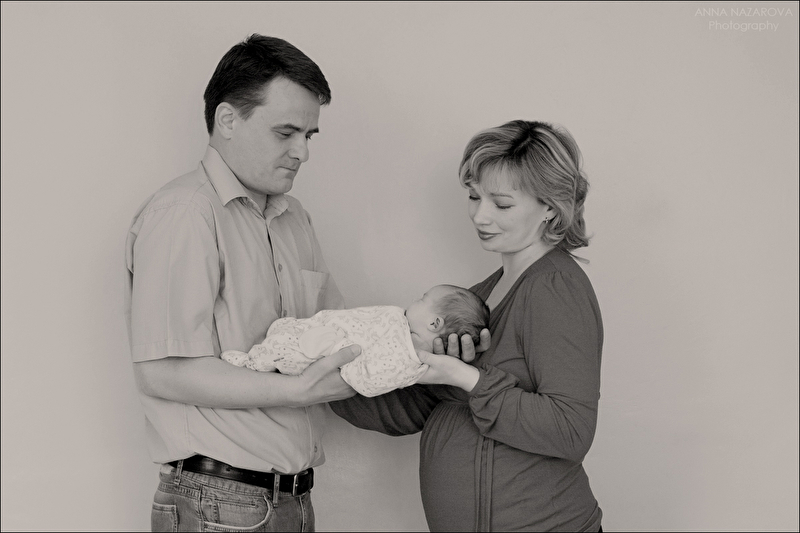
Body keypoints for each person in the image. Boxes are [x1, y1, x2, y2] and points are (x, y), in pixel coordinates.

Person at [124, 34, 366, 532]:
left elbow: (338, 333)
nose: (303, 152)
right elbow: (162, 372)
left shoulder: (294, 218)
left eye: (310, 135)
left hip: (289, 500)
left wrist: (426, 339)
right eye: (286, 132)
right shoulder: (185, 213)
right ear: (228, 120)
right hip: (218, 505)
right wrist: (297, 390)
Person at [331, 120, 604, 532]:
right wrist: (320, 372)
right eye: (474, 197)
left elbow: (570, 431)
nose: (480, 215)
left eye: (502, 204)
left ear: (550, 206)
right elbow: (419, 406)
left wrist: (466, 377)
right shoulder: (483, 294)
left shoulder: (554, 289)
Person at [221, 284, 490, 397]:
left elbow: (369, 381)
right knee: (286, 332)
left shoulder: (408, 362)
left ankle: (251, 363)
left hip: (328, 350)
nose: (414, 301)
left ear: (434, 324)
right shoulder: (399, 321)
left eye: (422, 299)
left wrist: (339, 350)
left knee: (288, 353)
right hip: (325, 327)